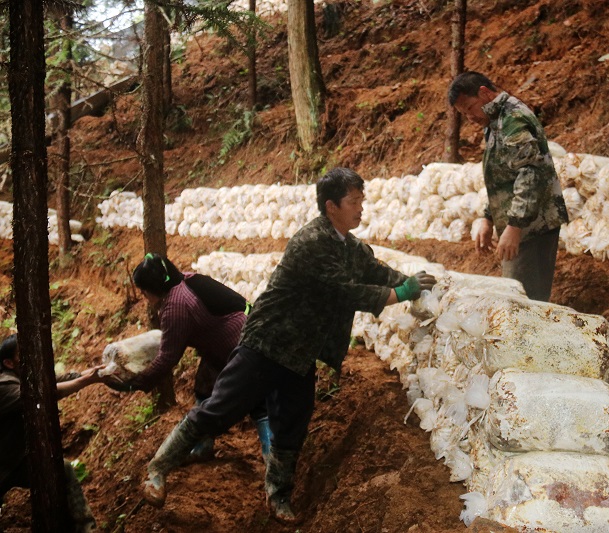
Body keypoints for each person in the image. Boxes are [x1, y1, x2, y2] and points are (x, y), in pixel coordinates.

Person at [140, 168, 437, 523]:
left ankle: (278, 495)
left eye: (362, 200)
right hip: (266, 343)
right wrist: (400, 294)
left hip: (299, 352)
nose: (361, 208)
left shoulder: (348, 245)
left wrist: (408, 281)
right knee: (219, 409)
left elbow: (373, 269)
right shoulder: (311, 242)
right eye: (353, 202)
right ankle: (157, 468)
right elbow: (343, 291)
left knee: (293, 422)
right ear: (331, 206)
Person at [116, 253, 272, 464]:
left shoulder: (175, 306)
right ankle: (202, 447)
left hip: (243, 345)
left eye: (144, 291)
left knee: (258, 403)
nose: (144, 296)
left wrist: (137, 382)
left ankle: (273, 458)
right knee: (204, 389)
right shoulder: (185, 280)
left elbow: (167, 358)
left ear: (153, 288)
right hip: (235, 340)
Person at [448, 71, 569, 301]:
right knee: (516, 297)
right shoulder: (493, 120)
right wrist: (488, 217)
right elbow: (502, 176)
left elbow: (530, 172)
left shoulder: (513, 119)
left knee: (524, 303)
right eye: (464, 114)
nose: (470, 118)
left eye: (470, 108)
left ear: (484, 93)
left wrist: (515, 226)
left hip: (533, 226)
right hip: (523, 224)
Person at [0, 333, 101, 531]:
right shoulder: (3, 385)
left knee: (62, 469)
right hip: (4, 465)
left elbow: (53, 381)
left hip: (14, 462)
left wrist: (93, 374)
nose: (31, 356)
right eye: (24, 353)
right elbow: (39, 395)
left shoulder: (24, 377)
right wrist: (85, 381)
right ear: (9, 363)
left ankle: (86, 529)